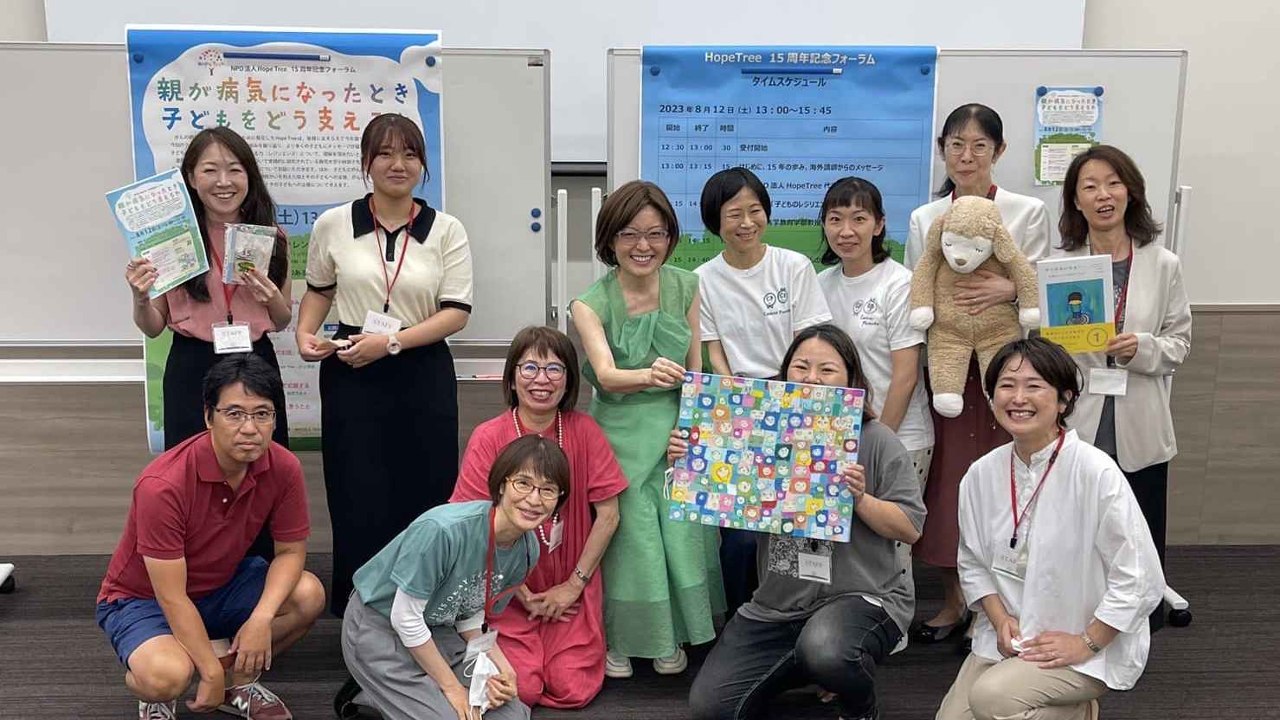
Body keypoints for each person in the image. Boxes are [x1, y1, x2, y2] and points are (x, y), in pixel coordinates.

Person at [685, 324, 925, 720]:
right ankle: (812, 664)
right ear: (785, 373)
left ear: (851, 379)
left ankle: (857, 702)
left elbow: (910, 527)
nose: (812, 378)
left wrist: (860, 499)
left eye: (827, 369)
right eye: (800, 367)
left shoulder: (876, 438)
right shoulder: (758, 433)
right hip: (776, 606)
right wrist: (692, 456)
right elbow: (715, 497)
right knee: (710, 708)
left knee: (828, 649)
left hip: (859, 596)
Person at [296, 113, 473, 617]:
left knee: (426, 488)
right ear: (366, 162)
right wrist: (305, 333)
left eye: (410, 154)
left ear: (423, 164)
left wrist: (390, 343)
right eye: (386, 154)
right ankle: (361, 611)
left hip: (421, 368)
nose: (399, 164)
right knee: (357, 491)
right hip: (352, 369)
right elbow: (320, 291)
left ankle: (422, 606)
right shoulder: (334, 224)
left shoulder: (446, 229)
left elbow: (456, 313)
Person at [936, 337, 1164, 720]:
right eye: (1006, 386)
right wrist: (1000, 619)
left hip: (1079, 644)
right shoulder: (981, 474)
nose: (1018, 398)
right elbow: (972, 563)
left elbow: (1141, 577)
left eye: (1034, 386)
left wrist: (1087, 642)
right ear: (991, 398)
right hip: (1009, 640)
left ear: (1064, 399)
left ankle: (1080, 710)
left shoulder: (1094, 472)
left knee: (992, 700)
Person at [95, 354, 325, 720]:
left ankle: (237, 685)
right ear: (208, 417)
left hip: (220, 585)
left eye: (262, 414)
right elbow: (171, 596)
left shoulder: (283, 466)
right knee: (166, 676)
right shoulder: (163, 485)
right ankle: (163, 689)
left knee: (308, 594)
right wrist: (209, 670)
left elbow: (290, 552)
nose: (249, 428)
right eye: (234, 414)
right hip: (144, 598)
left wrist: (261, 618)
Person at [904, 104, 1051, 644]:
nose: (966, 156)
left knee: (1009, 484)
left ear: (999, 151)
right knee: (950, 483)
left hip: (1006, 372)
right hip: (947, 372)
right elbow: (917, 284)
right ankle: (954, 600)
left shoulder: (1027, 211)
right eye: (956, 145)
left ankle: (1010, 606)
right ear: (942, 149)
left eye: (979, 146)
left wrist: (1009, 289)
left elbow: (1039, 283)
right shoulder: (924, 217)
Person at [571, 180, 724, 680]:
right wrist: (648, 374)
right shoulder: (589, 303)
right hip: (618, 430)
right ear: (610, 239)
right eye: (630, 234)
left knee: (682, 531)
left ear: (670, 237)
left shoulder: (687, 286)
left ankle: (673, 634)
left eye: (656, 234)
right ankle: (622, 637)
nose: (644, 245)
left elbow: (697, 368)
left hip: (677, 425)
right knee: (630, 535)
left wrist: (690, 428)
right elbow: (606, 374)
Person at [449, 325, 628, 708]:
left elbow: (609, 515)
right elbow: (471, 522)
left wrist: (574, 586)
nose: (541, 380)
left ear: (569, 380)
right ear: (512, 377)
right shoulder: (489, 436)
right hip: (504, 590)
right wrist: (521, 591)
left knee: (572, 688)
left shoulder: (585, 431)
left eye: (554, 369)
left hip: (570, 584)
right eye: (529, 368)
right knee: (523, 689)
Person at [1054, 145, 1192, 630]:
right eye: (1090, 186)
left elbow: (1180, 343)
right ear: (1075, 200)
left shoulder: (1162, 263)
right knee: (1077, 529)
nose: (1103, 195)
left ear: (1130, 192)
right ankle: (1081, 619)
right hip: (1081, 415)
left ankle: (1142, 619)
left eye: (1113, 183)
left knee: (1141, 526)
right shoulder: (1059, 266)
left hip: (1139, 416)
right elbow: (1042, 347)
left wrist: (1143, 348)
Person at [338, 435, 569, 720]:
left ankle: (397, 696)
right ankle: (372, 695)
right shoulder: (443, 531)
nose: (534, 499)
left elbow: (470, 614)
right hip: (380, 624)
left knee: (511, 714)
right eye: (523, 483)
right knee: (451, 715)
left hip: (439, 629)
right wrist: (452, 688)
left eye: (548, 490)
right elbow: (404, 618)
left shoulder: (527, 550)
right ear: (501, 485)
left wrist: (504, 669)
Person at [696, 166, 833, 617]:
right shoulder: (703, 279)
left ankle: (794, 617)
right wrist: (742, 400)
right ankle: (740, 618)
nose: (746, 222)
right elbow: (714, 351)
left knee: (795, 524)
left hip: (797, 403)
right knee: (739, 535)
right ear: (715, 221)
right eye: (734, 213)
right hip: (738, 408)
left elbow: (810, 345)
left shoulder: (793, 266)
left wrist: (787, 400)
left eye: (755, 211)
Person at [124, 127, 292, 451]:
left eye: (234, 170)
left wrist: (271, 298)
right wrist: (140, 298)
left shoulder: (269, 236)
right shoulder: (173, 240)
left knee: (259, 461)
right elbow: (153, 327)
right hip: (192, 365)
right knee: (191, 464)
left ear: (249, 176)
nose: (223, 182)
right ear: (191, 177)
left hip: (254, 360)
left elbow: (282, 320)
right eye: (210, 170)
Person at [816, 176, 934, 500]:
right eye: (835, 219)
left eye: (859, 219)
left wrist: (873, 444)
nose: (846, 231)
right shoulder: (820, 284)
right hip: (836, 440)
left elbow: (906, 377)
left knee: (892, 531)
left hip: (900, 438)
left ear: (879, 225)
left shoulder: (900, 284)